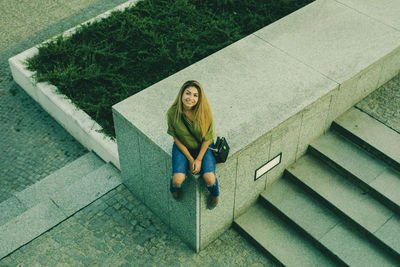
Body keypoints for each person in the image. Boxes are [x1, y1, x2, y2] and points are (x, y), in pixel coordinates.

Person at [166, 80, 219, 209]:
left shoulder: (205, 112)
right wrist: (190, 160)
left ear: (199, 98)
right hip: (182, 147)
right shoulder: (172, 113)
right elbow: (176, 139)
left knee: (209, 179)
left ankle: (215, 194)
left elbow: (208, 138)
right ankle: (173, 190)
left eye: (195, 95)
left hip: (203, 147)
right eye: (188, 93)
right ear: (181, 94)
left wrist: (199, 159)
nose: (191, 98)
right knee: (177, 180)